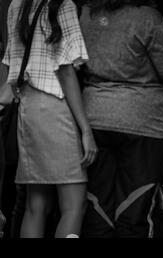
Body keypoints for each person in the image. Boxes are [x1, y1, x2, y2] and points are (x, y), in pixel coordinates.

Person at [79, 0, 163, 238]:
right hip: (143, 124)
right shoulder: (147, 17)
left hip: (94, 119)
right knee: (134, 212)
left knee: (97, 209)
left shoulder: (85, 14)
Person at [1, 0, 97, 238]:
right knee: (74, 206)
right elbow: (65, 70)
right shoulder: (62, 5)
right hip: (54, 108)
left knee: (36, 207)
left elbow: (9, 59)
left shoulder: (16, 5)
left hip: (28, 108)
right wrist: (85, 129)